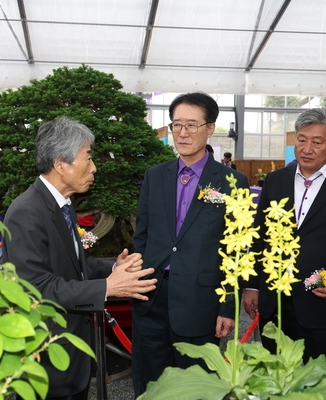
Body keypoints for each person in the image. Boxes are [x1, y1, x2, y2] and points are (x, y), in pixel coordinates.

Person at [0, 117, 157, 400]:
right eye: (88, 157)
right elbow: (36, 287)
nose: (94, 167)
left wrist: (114, 268)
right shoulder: (27, 212)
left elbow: (72, 265)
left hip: (72, 354)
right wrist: (108, 288)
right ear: (61, 164)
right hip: (48, 357)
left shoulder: (61, 204)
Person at [132, 92, 250, 396]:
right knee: (151, 385)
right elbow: (142, 236)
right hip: (151, 298)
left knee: (197, 388)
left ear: (210, 128)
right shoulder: (155, 176)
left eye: (192, 125)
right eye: (176, 125)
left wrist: (228, 307)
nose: (182, 133)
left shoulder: (232, 182)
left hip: (201, 303)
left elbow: (237, 252)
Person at [242, 108, 326, 366]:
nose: (307, 148)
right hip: (276, 302)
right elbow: (259, 237)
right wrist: (251, 285)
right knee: (276, 378)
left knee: (323, 381)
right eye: (301, 140)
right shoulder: (275, 180)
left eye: (317, 142)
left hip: (323, 305)